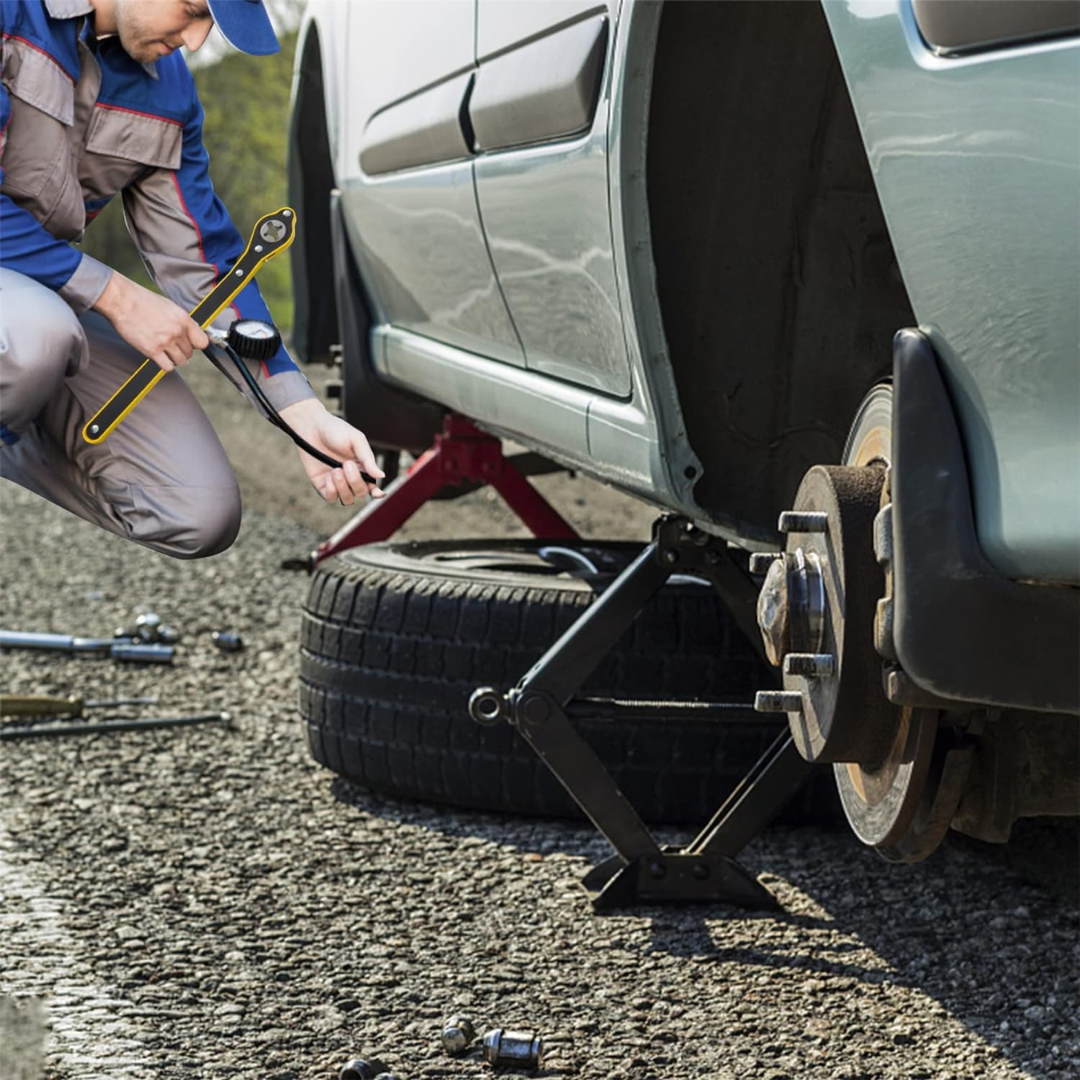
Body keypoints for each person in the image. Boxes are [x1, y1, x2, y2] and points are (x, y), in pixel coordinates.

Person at [0, 0, 385, 559]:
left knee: (196, 508)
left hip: (29, 303)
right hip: (29, 323)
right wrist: (116, 296)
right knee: (39, 339)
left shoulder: (170, 93)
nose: (197, 40)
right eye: (191, 10)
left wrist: (301, 415)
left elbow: (203, 264)